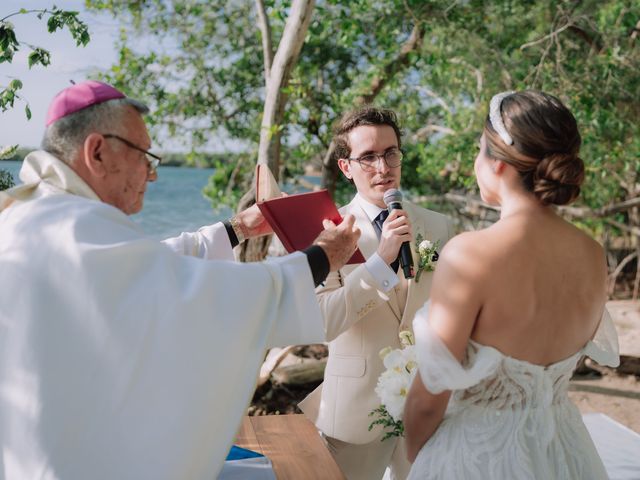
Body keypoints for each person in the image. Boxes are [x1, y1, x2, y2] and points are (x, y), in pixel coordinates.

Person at [0, 80, 361, 480]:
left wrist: (238, 228)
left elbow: (149, 267)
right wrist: (322, 256)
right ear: (97, 151)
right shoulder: (72, 224)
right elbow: (194, 296)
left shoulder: (37, 213)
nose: (152, 176)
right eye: (144, 156)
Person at [403, 91, 619, 479]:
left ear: (497, 162)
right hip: (564, 454)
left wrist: (418, 458)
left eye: (478, 149)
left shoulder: (470, 255)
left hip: (476, 459)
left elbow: (427, 400)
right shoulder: (592, 253)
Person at [298, 107, 455, 480]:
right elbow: (324, 323)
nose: (383, 167)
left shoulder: (438, 225)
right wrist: (381, 262)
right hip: (353, 412)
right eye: (368, 157)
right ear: (346, 167)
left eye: (390, 153)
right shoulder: (326, 232)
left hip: (429, 406)